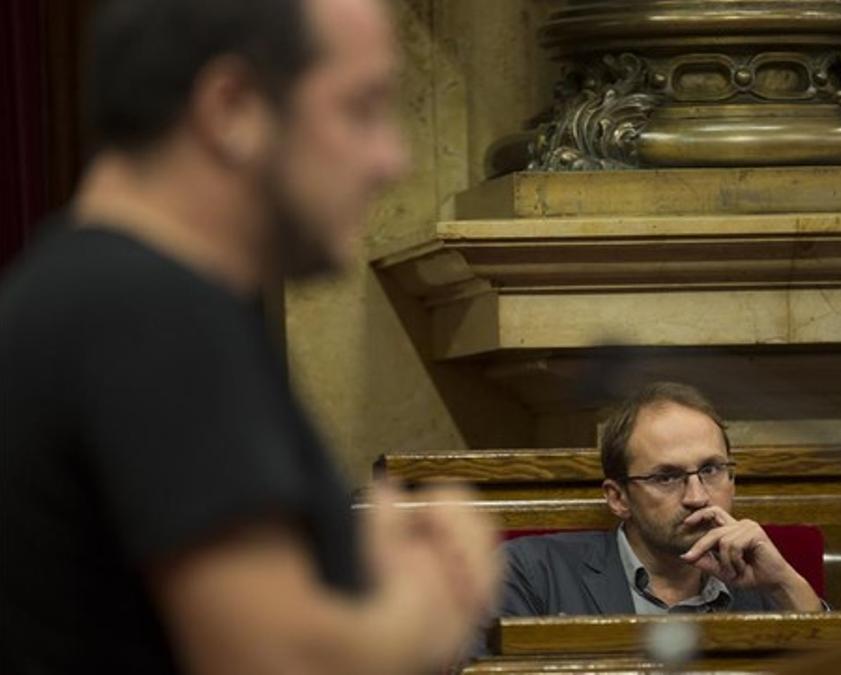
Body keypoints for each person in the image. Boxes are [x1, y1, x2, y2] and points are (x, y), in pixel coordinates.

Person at [0, 0, 499, 672]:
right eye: (360, 107)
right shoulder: (150, 310)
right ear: (232, 108)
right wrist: (430, 601)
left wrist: (357, 569)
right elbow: (274, 661)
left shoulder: (85, 290)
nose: (392, 159)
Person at [496, 382, 825, 619]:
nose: (697, 497)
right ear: (618, 498)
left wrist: (787, 587)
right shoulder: (533, 573)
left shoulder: (767, 587)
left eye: (711, 469)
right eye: (666, 477)